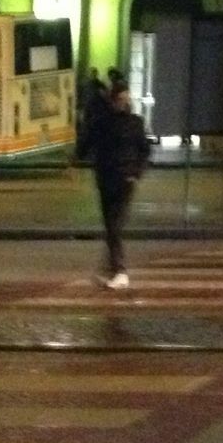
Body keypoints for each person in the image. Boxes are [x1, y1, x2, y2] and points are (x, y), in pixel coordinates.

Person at [85, 75, 151, 288]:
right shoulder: (102, 122)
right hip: (106, 179)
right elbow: (88, 143)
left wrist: (136, 172)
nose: (125, 102)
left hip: (125, 179)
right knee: (111, 226)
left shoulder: (135, 123)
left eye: (127, 98)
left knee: (114, 226)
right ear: (112, 101)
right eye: (121, 99)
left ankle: (120, 271)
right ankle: (111, 267)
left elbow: (145, 150)